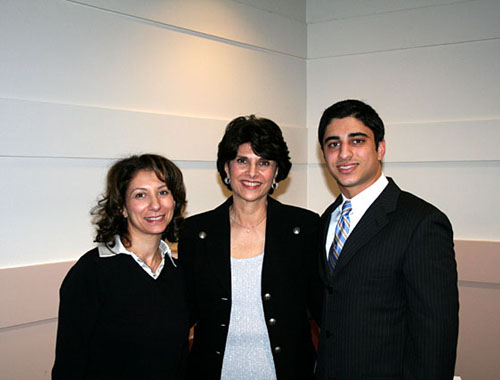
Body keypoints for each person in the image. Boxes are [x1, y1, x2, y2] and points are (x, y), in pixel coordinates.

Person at [315, 99, 459, 380]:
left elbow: (435, 335)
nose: (344, 153)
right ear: (324, 155)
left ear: (380, 148)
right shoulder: (325, 220)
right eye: (333, 144)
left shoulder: (422, 222)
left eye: (356, 141)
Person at [178, 115, 322, 380]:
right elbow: (179, 317)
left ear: (277, 171)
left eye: (264, 162)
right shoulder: (195, 234)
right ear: (226, 167)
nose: (253, 173)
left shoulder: (305, 229)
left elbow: (327, 312)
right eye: (242, 160)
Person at [52, 154, 190, 380]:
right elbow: (70, 366)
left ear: (174, 201)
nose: (155, 204)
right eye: (140, 195)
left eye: (163, 192)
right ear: (122, 208)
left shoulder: (179, 273)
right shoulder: (90, 273)